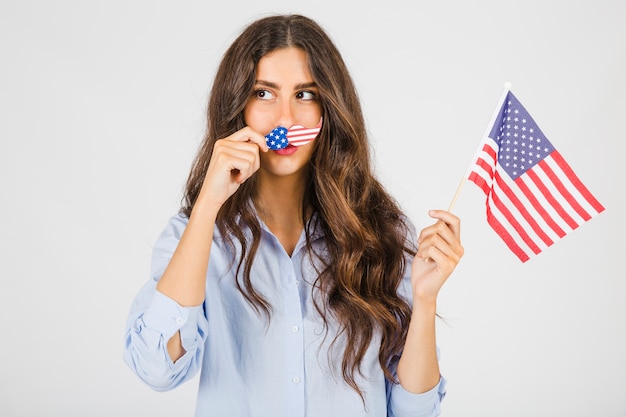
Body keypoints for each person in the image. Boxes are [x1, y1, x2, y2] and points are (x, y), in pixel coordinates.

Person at [124, 14, 463, 417]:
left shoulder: (380, 233)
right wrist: (207, 207)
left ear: (328, 110)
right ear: (239, 106)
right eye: (264, 94)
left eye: (305, 95)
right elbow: (157, 368)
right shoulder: (196, 235)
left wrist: (424, 302)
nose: (285, 119)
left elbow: (415, 412)